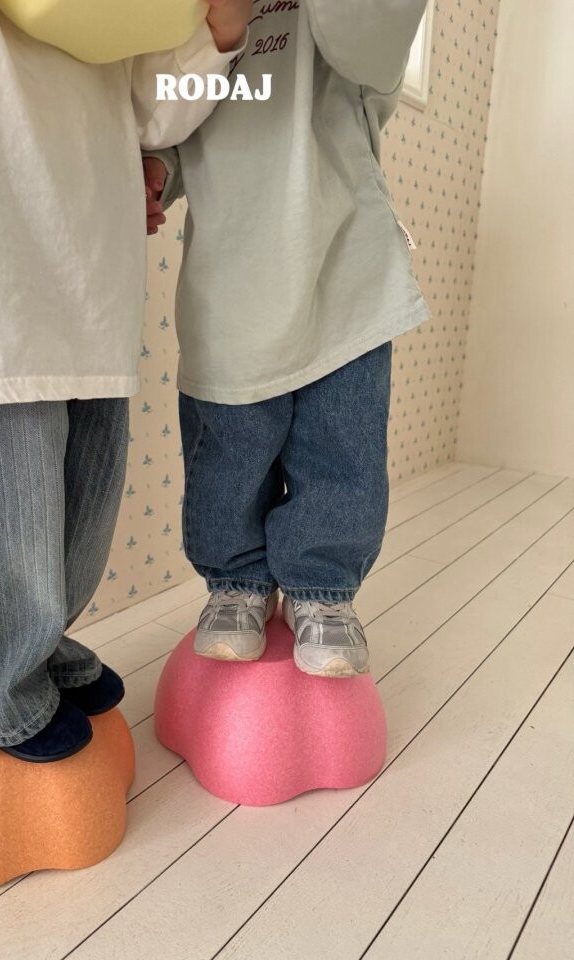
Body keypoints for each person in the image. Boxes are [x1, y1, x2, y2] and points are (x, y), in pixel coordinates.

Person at [0, 0, 251, 762]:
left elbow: (156, 111)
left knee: (77, 502)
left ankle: (37, 643)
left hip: (89, 255)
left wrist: (220, 35)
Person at [144, 0, 431, 678]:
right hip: (232, 270)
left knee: (340, 440)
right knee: (229, 447)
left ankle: (322, 587)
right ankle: (235, 579)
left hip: (343, 263)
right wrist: (158, 167)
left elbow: (375, 43)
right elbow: (176, 109)